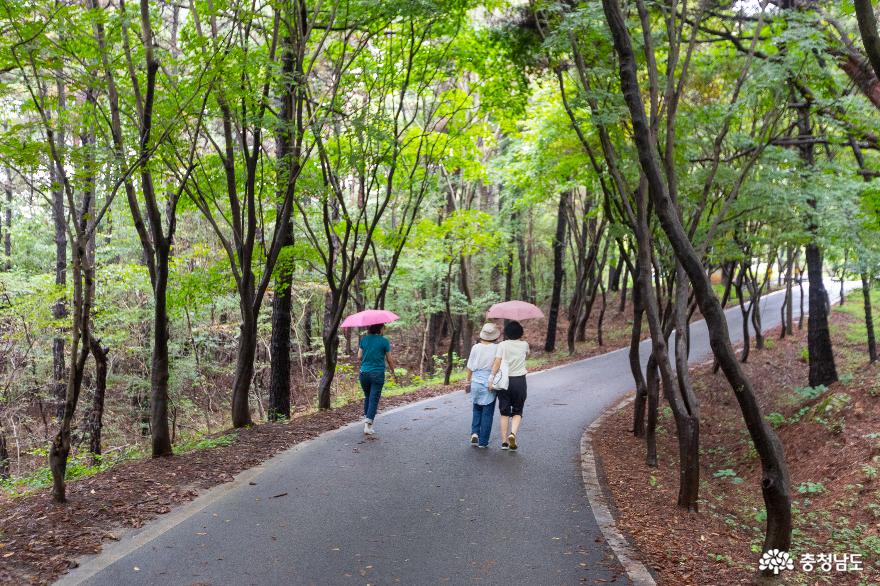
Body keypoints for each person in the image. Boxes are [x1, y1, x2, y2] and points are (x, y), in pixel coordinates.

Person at [488, 320, 529, 450]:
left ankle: (504, 442)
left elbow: (497, 363)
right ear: (520, 333)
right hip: (519, 381)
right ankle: (513, 434)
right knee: (518, 410)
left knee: (504, 412)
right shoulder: (524, 345)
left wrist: (491, 379)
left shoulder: (502, 345)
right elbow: (526, 356)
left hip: (504, 382)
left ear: (506, 333)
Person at [464, 323, 503, 448]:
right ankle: (483, 442)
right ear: (495, 336)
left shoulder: (476, 347)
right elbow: (498, 366)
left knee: (476, 410)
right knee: (487, 413)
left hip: (475, 381)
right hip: (489, 383)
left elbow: (470, 366)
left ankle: (475, 433)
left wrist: (468, 381)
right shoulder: (497, 348)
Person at [358, 323, 396, 435]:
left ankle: (367, 424)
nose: (383, 330)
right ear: (379, 329)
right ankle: (368, 426)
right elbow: (389, 359)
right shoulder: (384, 341)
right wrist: (393, 371)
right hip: (377, 373)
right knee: (374, 399)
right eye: (383, 328)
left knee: (368, 397)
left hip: (364, 373)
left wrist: (367, 358)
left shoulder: (364, 339)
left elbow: (359, 356)